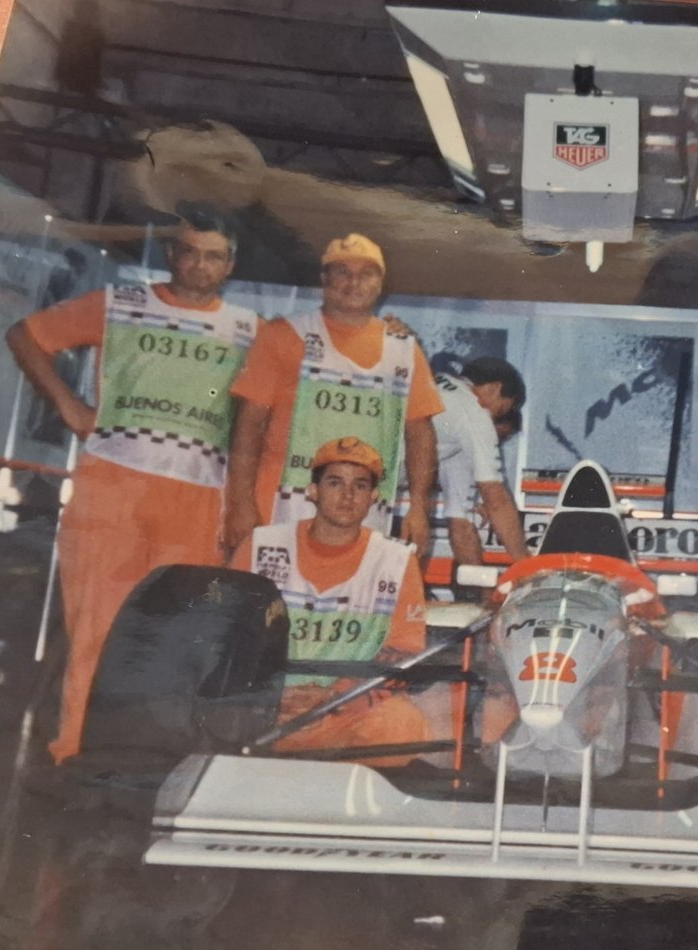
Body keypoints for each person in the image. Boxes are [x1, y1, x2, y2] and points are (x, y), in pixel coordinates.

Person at [6, 204, 257, 762]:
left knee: (181, 630)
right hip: (114, 484)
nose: (199, 265)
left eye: (213, 256)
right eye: (189, 252)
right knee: (97, 622)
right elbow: (25, 335)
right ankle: (77, 750)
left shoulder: (249, 329)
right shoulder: (121, 303)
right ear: (171, 254)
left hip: (198, 494)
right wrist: (69, 405)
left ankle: (157, 755)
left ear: (230, 265)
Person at [223, 233, 441, 558]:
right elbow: (248, 425)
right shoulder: (282, 335)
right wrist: (240, 503)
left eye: (366, 274)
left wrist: (419, 508)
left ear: (381, 283)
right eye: (343, 272)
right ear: (324, 279)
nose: (354, 283)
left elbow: (420, 434)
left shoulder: (404, 350)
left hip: (366, 513)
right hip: (282, 507)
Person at [235, 436, 429, 757]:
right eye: (335, 483)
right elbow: (227, 637)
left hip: (344, 712)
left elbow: (404, 652)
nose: (347, 496)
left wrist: (336, 697)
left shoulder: (395, 561)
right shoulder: (261, 546)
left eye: (360, 486)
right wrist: (272, 695)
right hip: (266, 708)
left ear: (373, 498)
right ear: (313, 491)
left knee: (400, 723)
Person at [434, 356, 529, 566]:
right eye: (502, 410)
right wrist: (526, 567)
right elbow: (497, 501)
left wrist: (480, 583)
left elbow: (461, 524)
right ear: (495, 388)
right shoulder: (473, 412)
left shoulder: (441, 384)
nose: (494, 418)